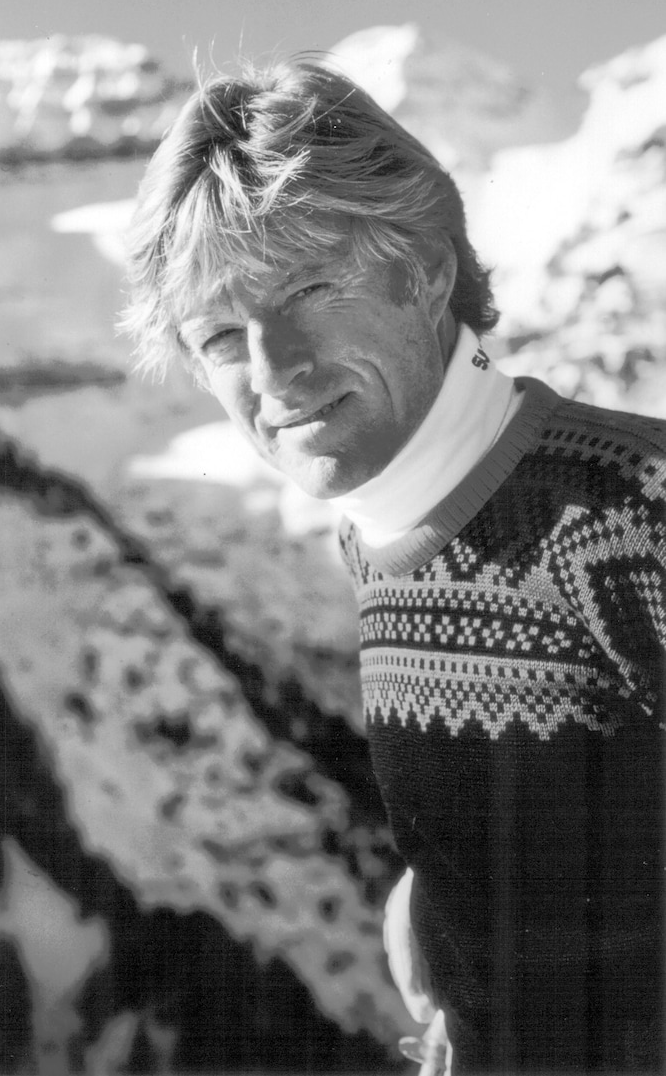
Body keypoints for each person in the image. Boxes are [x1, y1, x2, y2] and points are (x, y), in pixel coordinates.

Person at [122, 57, 665, 1074]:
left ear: (425, 270)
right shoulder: (380, 537)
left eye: (309, 286)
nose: (275, 371)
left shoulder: (633, 511)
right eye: (222, 337)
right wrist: (446, 915)